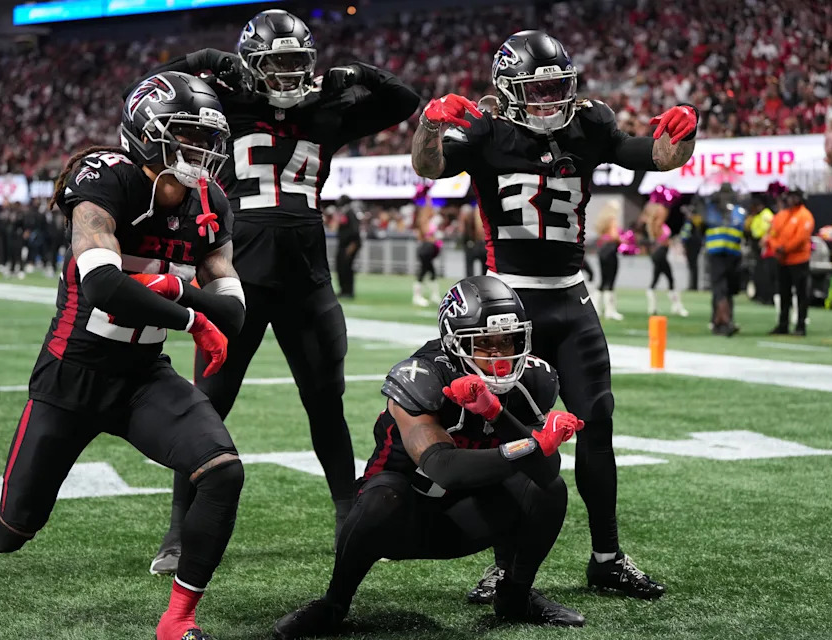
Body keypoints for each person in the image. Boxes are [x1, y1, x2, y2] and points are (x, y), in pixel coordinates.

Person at [0, 72, 247, 640]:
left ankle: (177, 623)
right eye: (186, 136)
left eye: (205, 139)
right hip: (72, 374)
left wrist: (176, 294)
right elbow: (103, 287)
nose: (199, 152)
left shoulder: (211, 203)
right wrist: (191, 315)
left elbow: (235, 313)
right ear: (146, 134)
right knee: (12, 526)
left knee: (223, 471)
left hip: (143, 375)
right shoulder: (104, 179)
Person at [125, 9, 420, 574]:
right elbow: (148, 93)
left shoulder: (326, 109)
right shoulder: (222, 107)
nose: (286, 74)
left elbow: (404, 100)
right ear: (251, 63)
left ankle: (347, 518)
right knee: (206, 406)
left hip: (307, 281)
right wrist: (203, 63)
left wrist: (355, 74)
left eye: (296, 62)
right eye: (276, 61)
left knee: (325, 407)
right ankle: (178, 533)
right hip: (236, 279)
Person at [412, 29, 692, 599]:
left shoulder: (588, 126)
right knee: (504, 433)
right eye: (535, 91)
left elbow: (655, 156)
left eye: (556, 88)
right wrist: (430, 123)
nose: (548, 101)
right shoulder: (486, 130)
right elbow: (430, 168)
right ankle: (504, 563)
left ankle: (607, 557)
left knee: (598, 424)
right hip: (506, 307)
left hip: (572, 298)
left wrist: (682, 134)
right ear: (510, 90)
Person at [273, 276, 585, 639]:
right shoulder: (421, 375)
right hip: (403, 520)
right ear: (455, 342)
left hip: (471, 519)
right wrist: (530, 445)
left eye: (508, 340)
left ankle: (514, 595)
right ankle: (334, 604)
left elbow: (545, 474)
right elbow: (442, 466)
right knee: (382, 495)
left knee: (549, 491)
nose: (500, 354)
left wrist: (497, 413)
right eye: (484, 343)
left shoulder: (533, 379)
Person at [765, 188, 815, 336]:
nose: (791, 200)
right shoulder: (781, 215)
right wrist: (776, 248)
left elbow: (801, 238)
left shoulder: (805, 216)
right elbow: (772, 234)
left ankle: (800, 325)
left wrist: (785, 248)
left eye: (795, 197)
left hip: (799, 260)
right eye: (790, 196)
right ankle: (783, 324)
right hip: (782, 260)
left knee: (801, 294)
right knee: (783, 293)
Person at [702, 182, 746, 336]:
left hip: (722, 253)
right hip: (727, 253)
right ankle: (725, 320)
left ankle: (721, 321)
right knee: (723, 289)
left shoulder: (714, 209)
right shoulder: (733, 210)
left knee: (722, 289)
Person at [644, 189, 689, 317]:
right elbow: (663, 240)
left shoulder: (656, 225)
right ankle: (677, 306)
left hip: (658, 253)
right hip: (660, 253)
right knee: (670, 279)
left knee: (656, 279)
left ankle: (653, 307)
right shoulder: (659, 227)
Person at [413, 181, 443, 306]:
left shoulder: (427, 217)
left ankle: (435, 295)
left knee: (431, 271)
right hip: (426, 247)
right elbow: (425, 234)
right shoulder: (423, 217)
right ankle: (417, 296)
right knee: (423, 271)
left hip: (429, 247)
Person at [593, 202, 624, 321]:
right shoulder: (612, 220)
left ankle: (596, 307)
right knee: (610, 281)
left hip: (602, 250)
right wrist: (622, 240)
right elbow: (614, 235)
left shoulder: (602, 220)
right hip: (611, 250)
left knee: (602, 280)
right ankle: (610, 311)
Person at [334, 195, 361, 299]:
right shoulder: (345, 213)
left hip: (348, 245)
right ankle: (343, 290)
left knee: (346, 268)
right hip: (343, 245)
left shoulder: (350, 213)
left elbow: (355, 232)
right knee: (341, 267)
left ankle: (348, 291)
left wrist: (351, 246)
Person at [460, 203, 487, 277]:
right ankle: (484, 282)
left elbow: (462, 231)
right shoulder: (484, 216)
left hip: (474, 245)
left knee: (469, 268)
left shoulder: (469, 218)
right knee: (484, 269)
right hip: (483, 244)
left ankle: (470, 283)